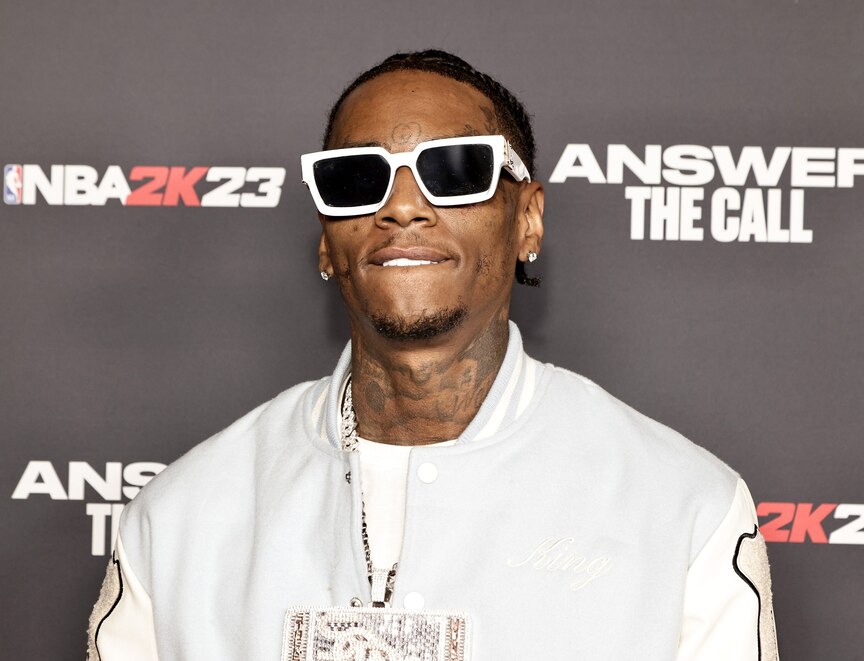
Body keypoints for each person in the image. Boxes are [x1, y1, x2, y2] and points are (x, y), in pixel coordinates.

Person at [87, 50, 778, 660]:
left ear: (528, 219)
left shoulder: (683, 508)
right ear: (326, 239)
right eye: (357, 178)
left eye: (455, 171)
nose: (402, 208)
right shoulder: (178, 519)